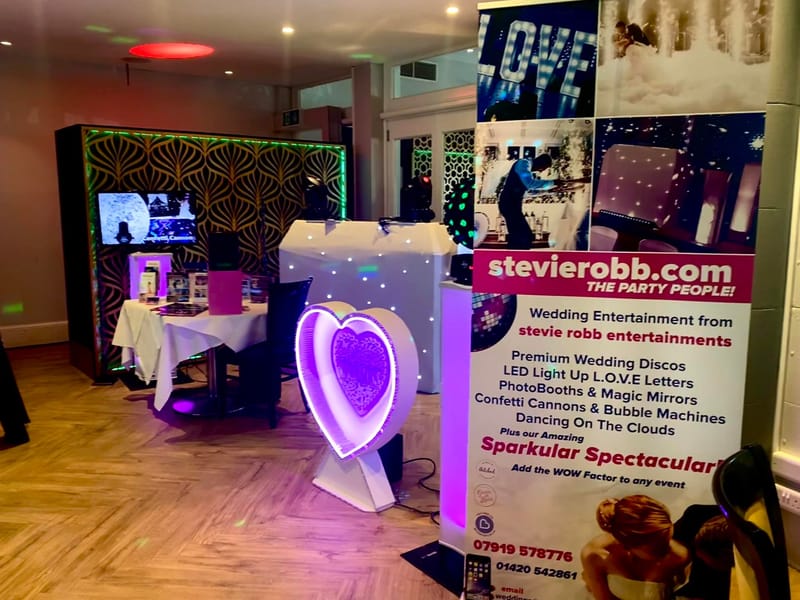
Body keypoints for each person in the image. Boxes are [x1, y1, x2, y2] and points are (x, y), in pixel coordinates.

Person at [581, 495, 691, 600]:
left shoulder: (680, 556)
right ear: (626, 546)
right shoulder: (595, 554)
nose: (669, 550)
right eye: (657, 549)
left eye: (668, 540)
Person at [497, 154, 555, 249]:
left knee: (519, 235)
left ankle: (513, 255)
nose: (541, 171)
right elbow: (530, 184)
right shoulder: (523, 164)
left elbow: (530, 191)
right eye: (544, 168)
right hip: (508, 204)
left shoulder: (526, 170)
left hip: (511, 205)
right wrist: (553, 182)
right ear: (541, 163)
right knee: (523, 235)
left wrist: (549, 191)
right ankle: (514, 255)